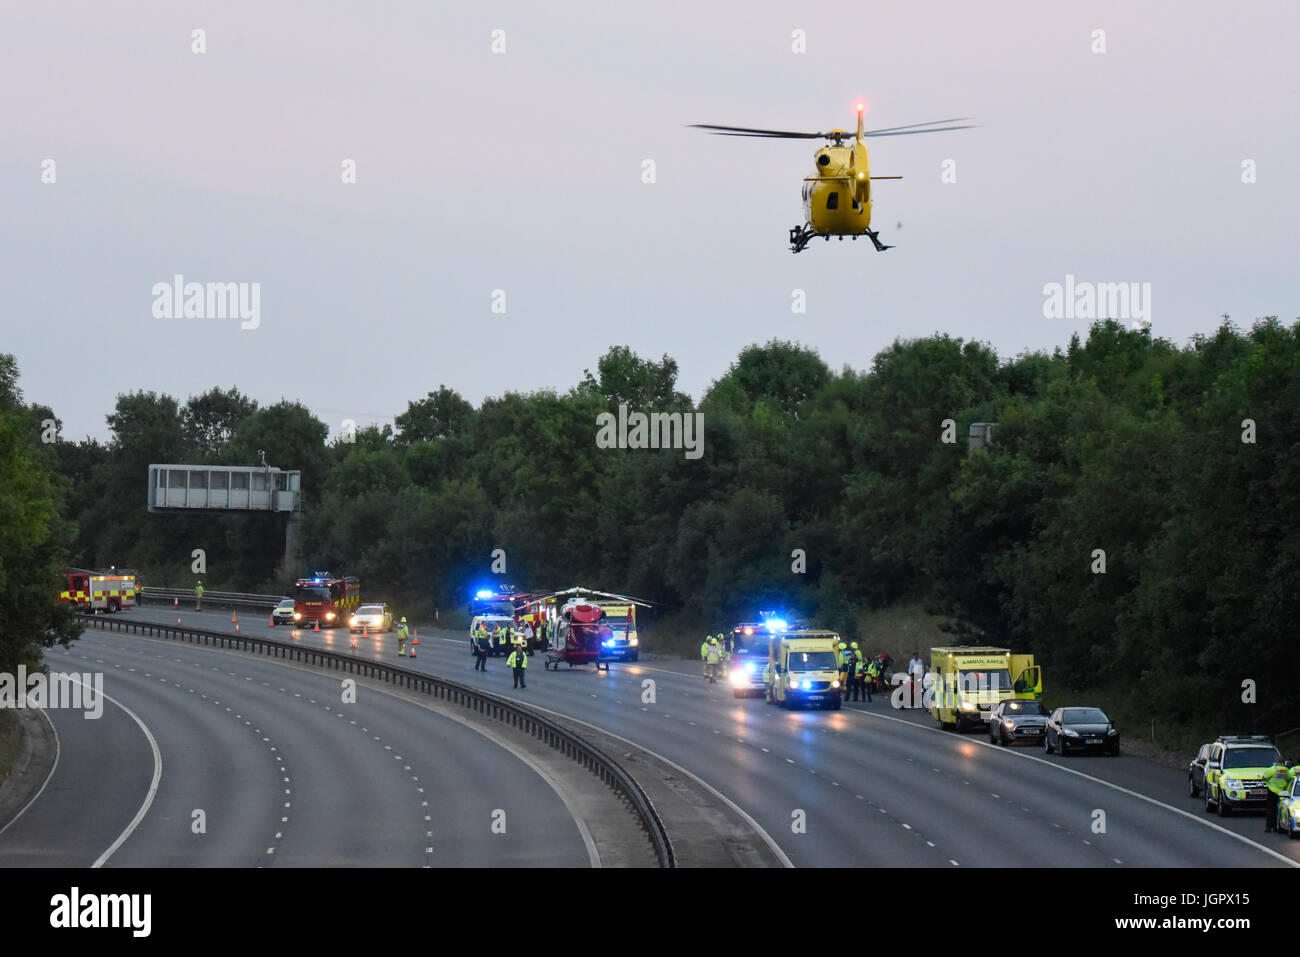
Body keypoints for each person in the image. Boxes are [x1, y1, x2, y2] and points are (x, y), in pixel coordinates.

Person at [1264, 760, 1295, 833]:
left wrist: (1268, 783)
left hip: (1272, 790)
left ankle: (1269, 827)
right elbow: (1289, 779)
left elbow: (1264, 776)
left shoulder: (1273, 769)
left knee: (1270, 809)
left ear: (1277, 762)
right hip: (1282, 791)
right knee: (1279, 809)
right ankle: (1276, 827)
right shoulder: (1286, 770)